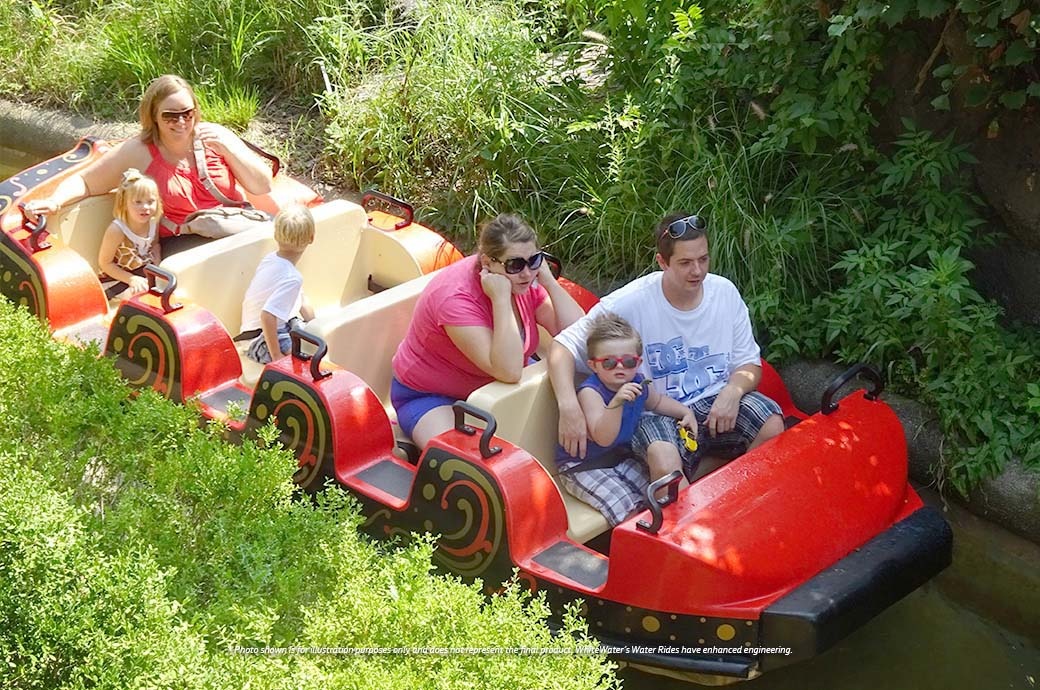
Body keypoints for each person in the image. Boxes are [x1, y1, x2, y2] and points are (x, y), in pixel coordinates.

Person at [549, 212, 785, 490]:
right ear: (662, 262)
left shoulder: (724, 292)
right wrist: (568, 407)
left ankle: (740, 497)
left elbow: (749, 364)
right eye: (685, 263)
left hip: (715, 400)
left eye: (703, 259)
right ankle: (688, 522)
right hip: (657, 411)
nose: (697, 271)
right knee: (664, 460)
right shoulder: (631, 302)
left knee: (771, 423)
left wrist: (733, 392)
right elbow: (561, 348)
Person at [392, 213, 586, 448]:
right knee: (462, 462)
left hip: (493, 394)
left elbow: (580, 335)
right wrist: (501, 300)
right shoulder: (455, 298)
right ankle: (406, 446)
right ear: (487, 263)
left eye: (534, 260)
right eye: (515, 264)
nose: (526, 273)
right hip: (431, 397)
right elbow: (509, 370)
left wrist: (549, 282)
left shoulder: (524, 279)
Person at [22, 74, 271, 241]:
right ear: (153, 117)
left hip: (239, 227)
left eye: (188, 113)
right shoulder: (138, 151)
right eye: (171, 116)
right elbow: (86, 182)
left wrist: (227, 148)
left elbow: (262, 185)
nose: (182, 122)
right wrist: (55, 202)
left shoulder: (215, 135)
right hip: (185, 240)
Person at [555, 312, 697, 526]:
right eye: (609, 363)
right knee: (630, 509)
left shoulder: (639, 383)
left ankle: (681, 531)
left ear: (638, 362)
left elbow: (657, 402)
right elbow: (603, 437)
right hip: (583, 466)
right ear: (593, 365)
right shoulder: (591, 393)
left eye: (628, 362)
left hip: (620, 458)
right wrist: (616, 403)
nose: (620, 367)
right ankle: (639, 549)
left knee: (663, 489)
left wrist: (685, 412)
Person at [238, 205, 315, 364]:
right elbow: (267, 316)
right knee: (304, 360)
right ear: (311, 238)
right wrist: (276, 357)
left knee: (310, 338)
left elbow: (302, 301)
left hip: (273, 327)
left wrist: (317, 326)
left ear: (275, 235)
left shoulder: (272, 259)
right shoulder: (292, 277)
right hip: (259, 337)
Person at [96, 169, 161, 301]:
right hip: (117, 279)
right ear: (124, 204)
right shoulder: (117, 230)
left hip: (144, 272)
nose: (145, 207)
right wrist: (131, 279)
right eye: (138, 202)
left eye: (150, 201)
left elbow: (155, 245)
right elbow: (105, 263)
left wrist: (159, 266)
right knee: (141, 295)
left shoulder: (154, 222)